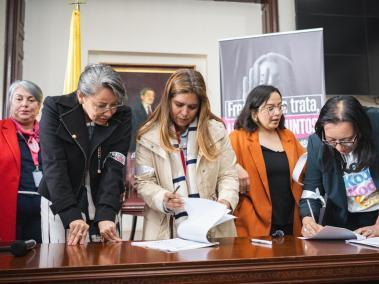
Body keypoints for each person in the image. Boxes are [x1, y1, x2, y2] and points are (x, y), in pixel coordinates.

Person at [135, 69, 239, 240]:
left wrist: (225, 201)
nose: (184, 113)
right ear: (168, 101)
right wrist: (163, 198)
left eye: (192, 107)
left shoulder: (216, 131)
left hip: (213, 226)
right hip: (166, 230)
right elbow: (144, 182)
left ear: (201, 106)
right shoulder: (147, 136)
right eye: (179, 104)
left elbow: (228, 175)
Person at [38, 64, 132, 245]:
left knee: (107, 261)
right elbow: (54, 164)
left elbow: (114, 166)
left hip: (104, 196)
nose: (109, 112)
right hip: (60, 199)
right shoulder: (55, 109)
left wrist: (106, 213)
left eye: (114, 104)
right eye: (101, 105)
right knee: (61, 260)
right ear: (81, 96)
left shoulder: (122, 115)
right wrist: (70, 213)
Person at [230, 85, 305, 237]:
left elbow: (305, 167)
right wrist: (233, 166)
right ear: (254, 112)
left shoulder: (288, 136)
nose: (277, 113)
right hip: (255, 224)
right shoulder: (237, 138)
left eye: (279, 107)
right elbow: (219, 168)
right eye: (270, 108)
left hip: (291, 222)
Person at [300, 96, 379, 238]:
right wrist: (308, 219)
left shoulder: (376, 127)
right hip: (342, 222)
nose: (339, 147)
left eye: (347, 140)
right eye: (331, 140)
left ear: (360, 129)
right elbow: (311, 189)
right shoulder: (317, 142)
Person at [0, 80, 43, 243]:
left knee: (43, 262)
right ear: (10, 102)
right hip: (8, 210)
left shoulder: (50, 135)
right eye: (19, 99)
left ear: (39, 106)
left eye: (31, 100)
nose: (24, 104)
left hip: (44, 213)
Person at [129, 87, 156, 152]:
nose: (151, 97)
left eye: (153, 96)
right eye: (148, 95)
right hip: (138, 147)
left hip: (152, 147)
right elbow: (134, 130)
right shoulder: (135, 110)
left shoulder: (155, 110)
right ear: (142, 97)